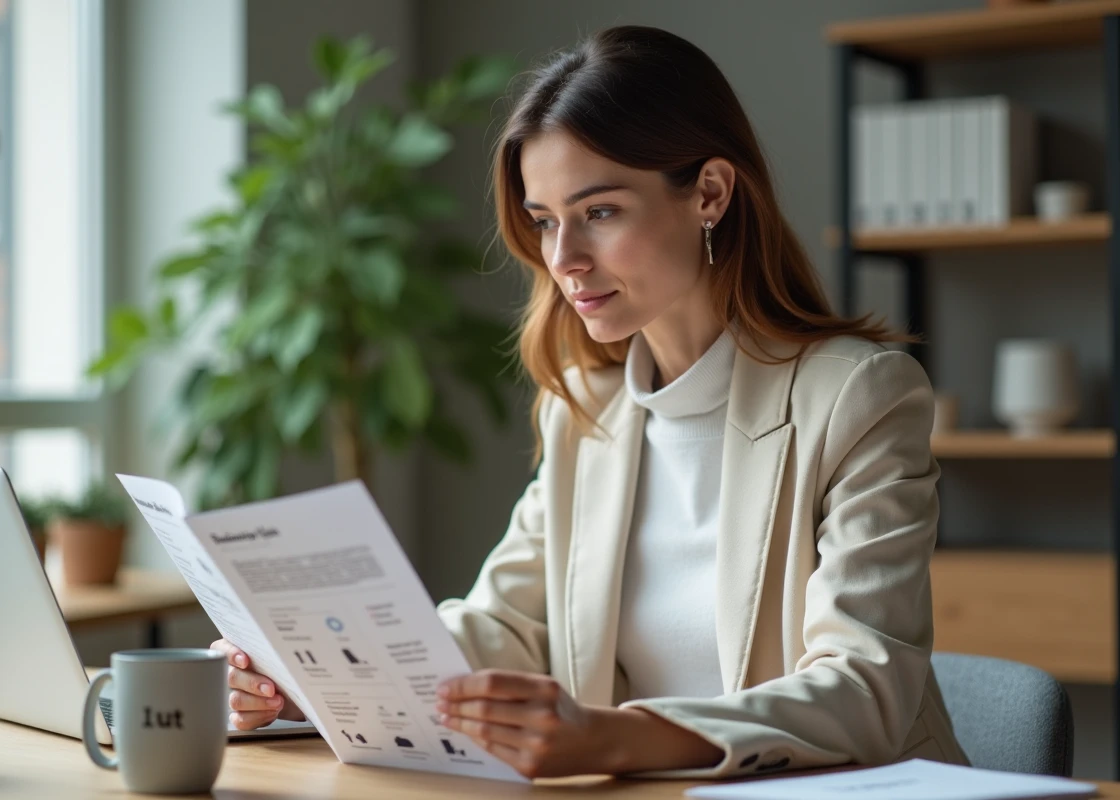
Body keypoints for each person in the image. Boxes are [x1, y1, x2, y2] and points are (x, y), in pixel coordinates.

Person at [211, 24, 971, 780]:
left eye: (599, 212)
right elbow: (503, 629)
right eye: (544, 221)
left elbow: (863, 689)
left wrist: (615, 738)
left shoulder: (858, 396)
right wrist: (306, 677)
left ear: (709, 193)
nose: (564, 259)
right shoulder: (586, 408)